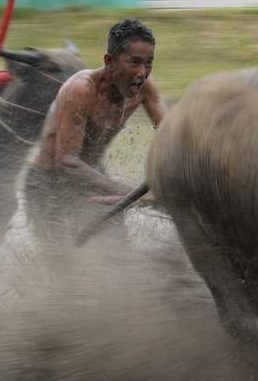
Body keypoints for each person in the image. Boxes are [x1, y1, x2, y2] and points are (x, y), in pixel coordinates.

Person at [25, 18, 164, 246]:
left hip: (91, 175)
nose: (142, 72)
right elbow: (67, 162)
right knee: (62, 259)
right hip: (49, 182)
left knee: (117, 248)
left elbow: (169, 134)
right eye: (134, 63)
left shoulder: (145, 89)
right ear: (110, 62)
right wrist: (130, 193)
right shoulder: (81, 90)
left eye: (149, 63)